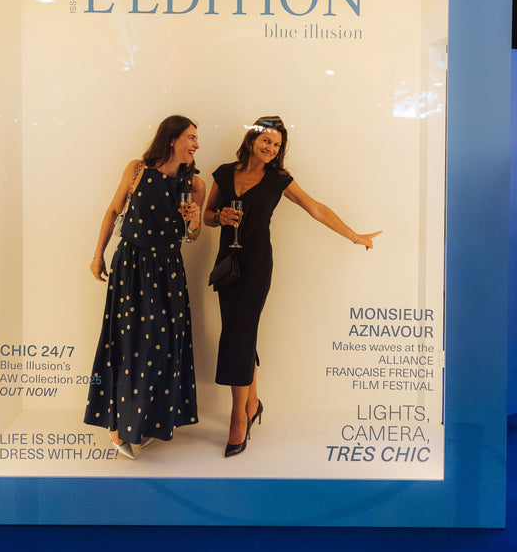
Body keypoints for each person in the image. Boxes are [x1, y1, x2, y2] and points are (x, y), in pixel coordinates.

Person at [203, 115, 381, 458]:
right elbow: (207, 216)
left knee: (238, 334)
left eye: (277, 144)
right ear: (252, 139)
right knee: (241, 333)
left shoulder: (279, 179)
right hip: (227, 264)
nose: (271, 148)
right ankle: (253, 403)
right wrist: (219, 216)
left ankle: (238, 417)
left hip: (256, 267)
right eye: (266, 140)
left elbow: (316, 208)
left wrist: (355, 236)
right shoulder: (224, 173)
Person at [84, 115, 206, 458]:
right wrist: (97, 255)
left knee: (163, 346)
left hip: (168, 271)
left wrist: (195, 223)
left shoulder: (196, 185)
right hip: (132, 267)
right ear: (172, 138)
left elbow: (192, 237)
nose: (196, 145)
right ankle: (115, 425)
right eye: (191, 137)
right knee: (126, 343)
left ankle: (147, 422)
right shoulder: (136, 169)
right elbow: (113, 211)